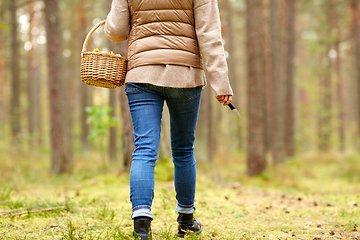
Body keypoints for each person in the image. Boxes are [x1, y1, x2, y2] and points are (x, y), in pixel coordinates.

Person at [105, 0, 233, 239]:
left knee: (144, 149)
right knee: (183, 150)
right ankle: (186, 220)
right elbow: (209, 33)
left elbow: (116, 31)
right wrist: (221, 82)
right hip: (184, 75)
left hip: (142, 74)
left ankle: (141, 225)